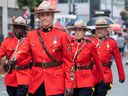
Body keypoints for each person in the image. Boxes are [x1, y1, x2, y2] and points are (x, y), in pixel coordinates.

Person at [11, 1, 74, 96]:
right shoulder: (31, 35)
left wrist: (69, 84)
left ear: (53, 16)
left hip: (55, 83)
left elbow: (69, 62)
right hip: (36, 81)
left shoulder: (62, 35)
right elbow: (23, 50)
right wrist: (16, 58)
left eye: (48, 15)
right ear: (38, 17)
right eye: (42, 15)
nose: (45, 17)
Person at [67, 19, 105, 96]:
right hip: (72, 79)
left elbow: (98, 63)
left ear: (84, 32)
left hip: (86, 79)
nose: (77, 32)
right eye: (76, 30)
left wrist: (102, 78)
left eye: (80, 30)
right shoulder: (69, 45)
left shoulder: (90, 45)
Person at [91, 17, 125, 96]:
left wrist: (121, 76)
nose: (99, 30)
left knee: (101, 93)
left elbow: (118, 60)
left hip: (105, 74)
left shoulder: (112, 42)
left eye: (102, 28)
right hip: (92, 74)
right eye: (98, 28)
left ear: (106, 30)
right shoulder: (91, 41)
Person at [0, 16, 32, 96]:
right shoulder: (7, 41)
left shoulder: (29, 41)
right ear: (13, 28)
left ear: (24, 29)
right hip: (11, 77)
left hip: (24, 77)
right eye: (16, 27)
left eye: (20, 27)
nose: (17, 30)